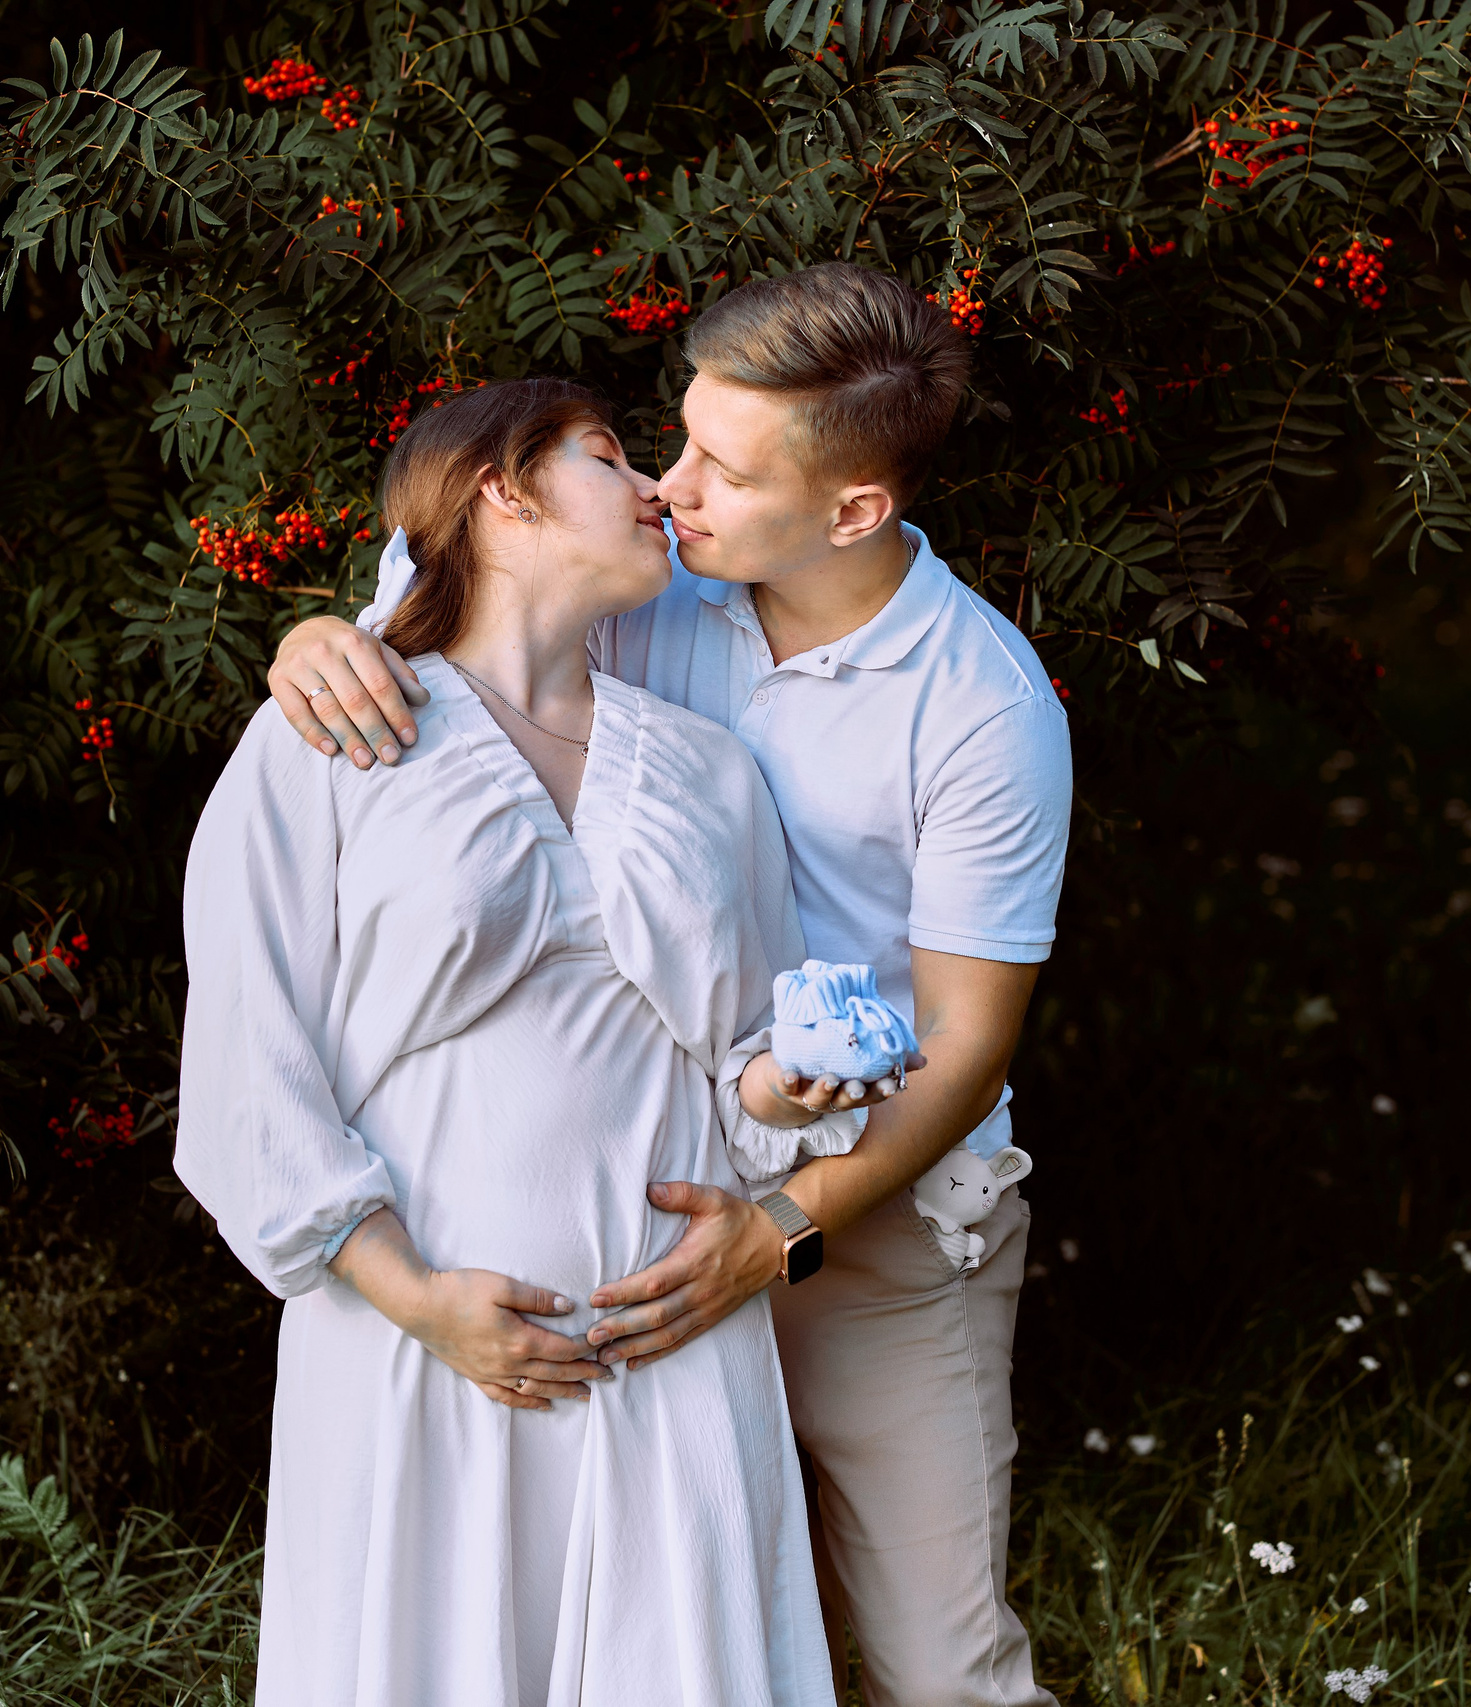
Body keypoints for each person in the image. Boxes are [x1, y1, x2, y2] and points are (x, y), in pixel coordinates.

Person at [268, 264, 1074, 1707]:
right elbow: (434, 617)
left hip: (861, 1232)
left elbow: (967, 1041)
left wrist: (781, 1233)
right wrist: (315, 643)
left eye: (723, 467)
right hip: (622, 1221)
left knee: (939, 1669)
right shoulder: (644, 583)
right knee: (688, 1648)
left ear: (853, 513)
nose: (670, 486)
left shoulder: (983, 706)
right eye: (678, 436)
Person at [178, 377, 879, 1707]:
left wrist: (792, 1086)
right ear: (501, 488)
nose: (657, 491)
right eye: (613, 457)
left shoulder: (708, 770)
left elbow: (746, 1066)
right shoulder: (327, 735)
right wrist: (418, 1300)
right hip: (417, 1350)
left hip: (671, 1346)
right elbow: (245, 1076)